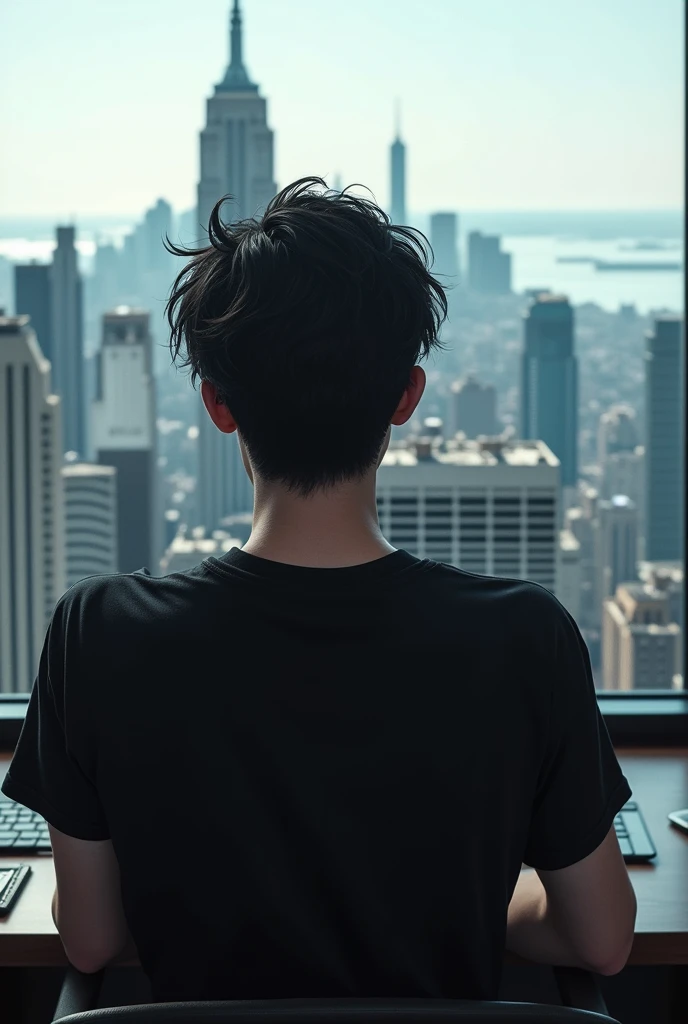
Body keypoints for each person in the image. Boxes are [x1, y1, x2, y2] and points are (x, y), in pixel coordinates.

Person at [2, 178, 636, 1003]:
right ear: (406, 398)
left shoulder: (98, 633)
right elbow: (604, 940)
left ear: (217, 404)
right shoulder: (524, 638)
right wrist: (481, 898)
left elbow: (89, 939)